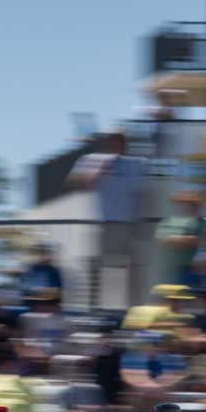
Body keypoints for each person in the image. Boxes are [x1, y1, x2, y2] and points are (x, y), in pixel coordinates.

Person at [69, 131, 143, 308]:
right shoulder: (91, 160)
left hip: (126, 225)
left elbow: (147, 189)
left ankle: (130, 309)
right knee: (97, 270)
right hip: (100, 223)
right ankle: (93, 309)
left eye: (118, 142)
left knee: (127, 271)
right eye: (110, 142)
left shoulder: (136, 163)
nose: (114, 146)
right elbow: (76, 184)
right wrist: (100, 169)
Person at [155, 190, 206, 289]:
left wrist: (175, 239)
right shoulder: (167, 222)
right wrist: (188, 240)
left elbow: (202, 241)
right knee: (169, 299)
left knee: (191, 298)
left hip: (193, 271)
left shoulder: (203, 223)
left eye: (192, 204)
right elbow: (162, 241)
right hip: (169, 270)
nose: (186, 206)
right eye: (183, 203)